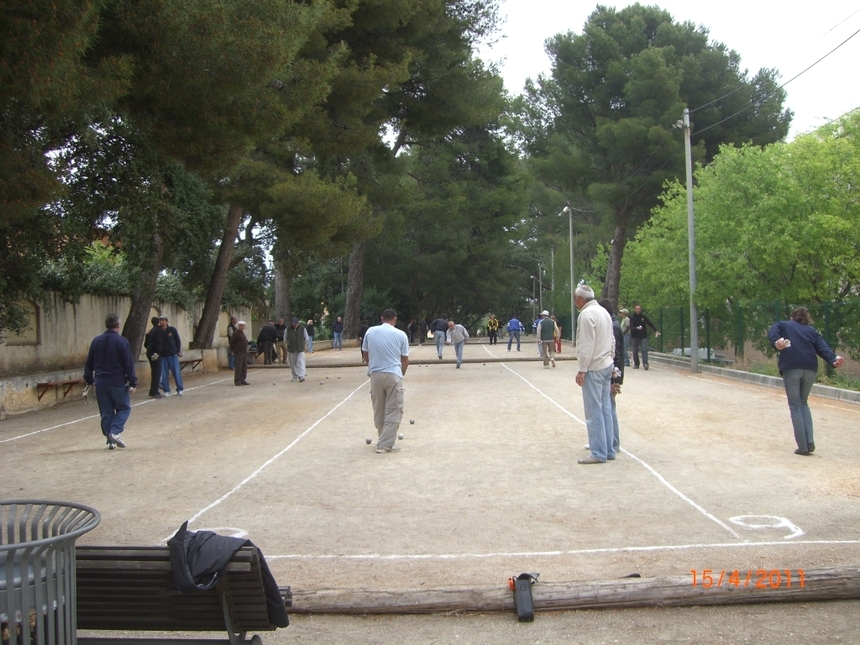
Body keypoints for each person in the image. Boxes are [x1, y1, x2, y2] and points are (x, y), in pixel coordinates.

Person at [767, 307, 844, 456]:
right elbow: (822, 348)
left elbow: (773, 330)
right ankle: (809, 442)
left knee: (795, 405)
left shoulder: (784, 324)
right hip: (810, 369)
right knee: (803, 403)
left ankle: (802, 447)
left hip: (792, 367)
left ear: (792, 317)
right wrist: (833, 359)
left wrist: (776, 341)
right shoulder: (812, 331)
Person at [83, 313, 137, 449]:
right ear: (118, 325)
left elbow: (89, 362)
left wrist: (89, 379)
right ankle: (115, 431)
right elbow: (128, 363)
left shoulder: (96, 341)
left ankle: (110, 439)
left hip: (101, 381)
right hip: (118, 381)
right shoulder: (122, 341)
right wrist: (133, 382)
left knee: (106, 412)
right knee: (124, 408)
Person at [575, 285, 615, 465]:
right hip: (607, 364)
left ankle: (598, 452)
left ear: (580, 299)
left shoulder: (586, 315)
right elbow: (612, 339)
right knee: (606, 408)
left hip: (594, 367)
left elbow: (586, 345)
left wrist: (582, 369)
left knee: (594, 411)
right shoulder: (604, 312)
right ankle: (608, 449)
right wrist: (610, 358)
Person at [362, 309, 409, 453]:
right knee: (394, 409)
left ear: (382, 318)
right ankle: (385, 444)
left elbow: (365, 354)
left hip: (375, 374)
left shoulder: (370, 331)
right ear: (395, 319)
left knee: (379, 408)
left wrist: (373, 366)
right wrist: (400, 375)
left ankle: (383, 439)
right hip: (393, 374)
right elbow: (405, 359)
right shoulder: (401, 334)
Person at [599, 299, 624, 454]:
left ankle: (613, 442)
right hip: (613, 371)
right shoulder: (613, 324)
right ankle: (608, 440)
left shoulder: (612, 327)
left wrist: (614, 379)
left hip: (612, 373)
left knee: (609, 407)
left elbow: (616, 355)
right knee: (608, 407)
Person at [628, 304, 660, 370]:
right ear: (635, 310)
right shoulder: (632, 317)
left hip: (643, 336)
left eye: (639, 309)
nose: (638, 310)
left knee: (644, 349)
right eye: (637, 309)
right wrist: (636, 328)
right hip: (635, 336)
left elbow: (650, 323)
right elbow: (631, 327)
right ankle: (636, 364)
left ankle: (645, 363)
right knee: (635, 350)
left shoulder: (643, 317)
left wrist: (655, 330)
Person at [158, 315, 184, 396]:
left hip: (173, 355)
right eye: (160, 320)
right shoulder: (158, 331)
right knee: (164, 374)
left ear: (166, 321)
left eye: (162, 320)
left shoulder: (172, 330)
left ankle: (179, 389)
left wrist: (178, 350)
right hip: (163, 356)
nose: (161, 322)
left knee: (176, 372)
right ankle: (166, 390)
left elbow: (178, 340)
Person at [143, 316, 164, 398]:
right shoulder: (159, 331)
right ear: (158, 321)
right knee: (157, 372)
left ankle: (153, 390)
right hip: (155, 352)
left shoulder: (151, 331)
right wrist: (157, 352)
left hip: (149, 351)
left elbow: (146, 343)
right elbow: (158, 342)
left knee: (154, 371)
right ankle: (154, 391)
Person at [286, 317, 308, 382]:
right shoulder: (287, 330)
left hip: (300, 349)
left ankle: (301, 376)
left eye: (296, 323)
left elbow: (306, 338)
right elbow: (285, 339)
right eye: (293, 323)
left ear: (298, 323)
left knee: (300, 362)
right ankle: (295, 376)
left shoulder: (303, 329)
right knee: (292, 364)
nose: (295, 325)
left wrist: (302, 345)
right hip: (291, 349)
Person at [230, 320, 250, 385]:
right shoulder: (236, 333)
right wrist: (233, 349)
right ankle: (237, 380)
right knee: (239, 366)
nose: (242, 327)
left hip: (244, 352)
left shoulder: (242, 333)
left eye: (243, 325)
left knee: (244, 366)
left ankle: (242, 379)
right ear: (238, 326)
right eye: (241, 325)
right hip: (238, 352)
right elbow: (231, 342)